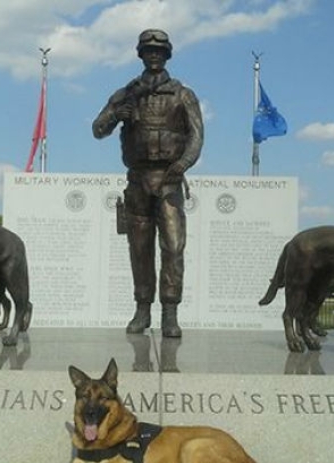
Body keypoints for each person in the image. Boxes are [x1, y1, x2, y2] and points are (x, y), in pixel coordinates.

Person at [93, 28, 204, 338]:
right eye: (148, 50)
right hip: (137, 181)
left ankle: (170, 313)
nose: (153, 55)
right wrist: (116, 114)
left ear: (167, 55)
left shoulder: (183, 94)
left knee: (173, 247)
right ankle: (143, 310)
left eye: (159, 50)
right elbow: (97, 129)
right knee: (139, 249)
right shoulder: (125, 94)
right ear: (140, 55)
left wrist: (182, 164)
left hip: (169, 181)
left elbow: (196, 136)